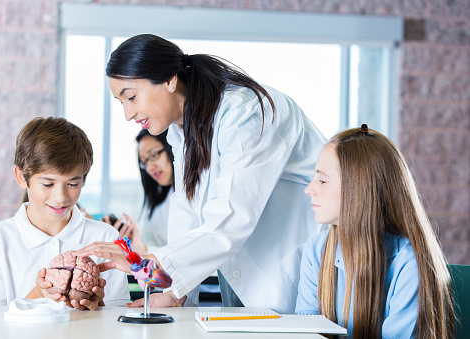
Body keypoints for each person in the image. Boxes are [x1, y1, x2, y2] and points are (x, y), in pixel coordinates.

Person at [76, 33, 327, 313]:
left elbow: (233, 216)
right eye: (120, 102)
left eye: (131, 97)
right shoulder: (181, 130)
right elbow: (187, 211)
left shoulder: (245, 112)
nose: (127, 114)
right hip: (245, 275)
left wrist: (151, 262)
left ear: (170, 80)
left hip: (296, 267)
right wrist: (173, 290)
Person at [295, 125, 455, 338]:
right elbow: (306, 329)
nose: (309, 189)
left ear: (358, 189)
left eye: (322, 180)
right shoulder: (316, 250)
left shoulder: (409, 264)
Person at [0, 117, 130, 310]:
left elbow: (117, 319)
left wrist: (99, 305)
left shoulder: (105, 237)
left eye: (73, 184)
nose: (60, 196)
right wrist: (37, 294)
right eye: (48, 184)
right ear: (21, 177)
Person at [102, 128, 174, 254]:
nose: (150, 167)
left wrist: (145, 251)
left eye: (154, 155)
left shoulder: (193, 196)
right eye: (144, 162)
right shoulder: (158, 200)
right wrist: (131, 241)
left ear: (173, 147)